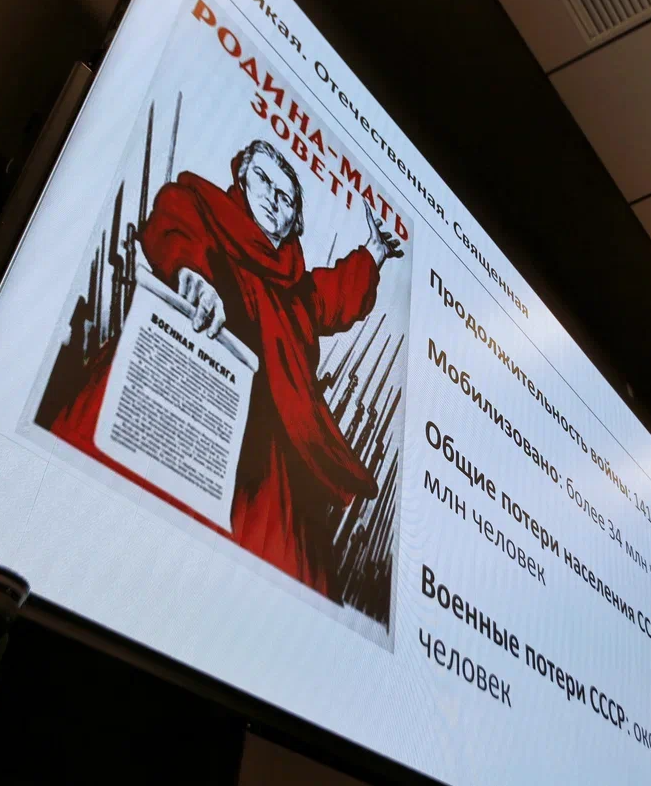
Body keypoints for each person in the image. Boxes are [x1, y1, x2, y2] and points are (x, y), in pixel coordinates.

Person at [51, 140, 403, 596]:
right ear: (241, 179)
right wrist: (192, 276)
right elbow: (176, 221)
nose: (273, 198)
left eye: (286, 197)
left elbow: (333, 295)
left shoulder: (293, 291)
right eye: (263, 180)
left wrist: (373, 251)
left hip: (263, 459)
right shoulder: (206, 211)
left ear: (295, 220)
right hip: (178, 397)